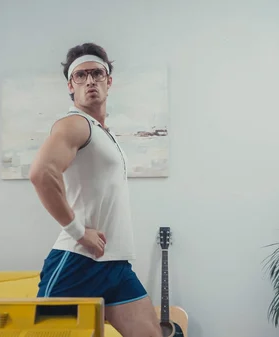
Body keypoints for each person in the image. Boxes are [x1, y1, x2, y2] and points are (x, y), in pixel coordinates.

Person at [28, 42, 162, 337]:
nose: (90, 81)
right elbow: (41, 174)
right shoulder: (75, 124)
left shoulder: (103, 134)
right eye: (81, 75)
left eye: (97, 74)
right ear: (70, 86)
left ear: (108, 81)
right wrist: (79, 232)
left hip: (115, 263)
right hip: (78, 260)